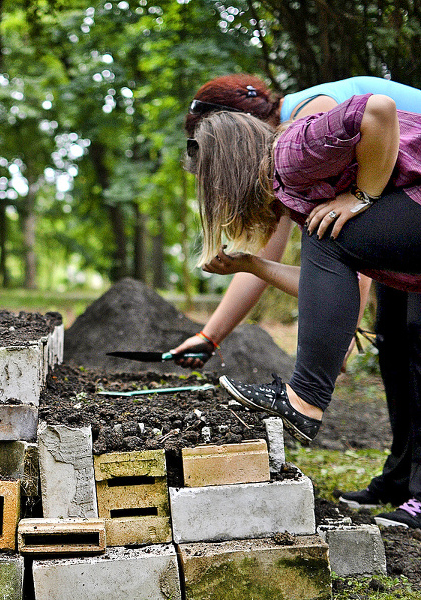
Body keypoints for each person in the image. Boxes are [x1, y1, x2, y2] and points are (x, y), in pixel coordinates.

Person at [175, 75, 421, 529]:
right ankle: (402, 478)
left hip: (409, 196)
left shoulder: (296, 141)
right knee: (400, 342)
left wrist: (361, 196)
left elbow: (379, 110)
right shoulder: (284, 173)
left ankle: (305, 401)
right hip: (406, 201)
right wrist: (216, 325)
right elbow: (315, 273)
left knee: (333, 237)